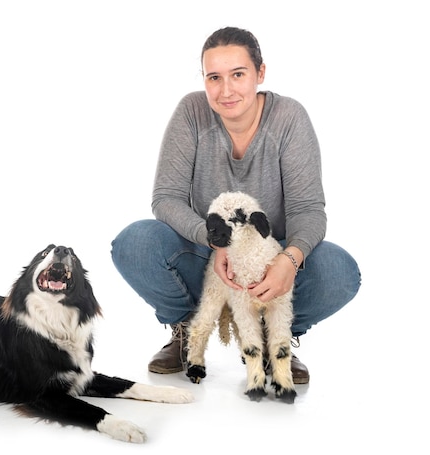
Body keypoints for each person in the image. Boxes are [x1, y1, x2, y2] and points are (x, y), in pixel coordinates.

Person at [111, 26, 361, 384]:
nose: (225, 90)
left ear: (260, 73)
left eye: (238, 75)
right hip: (209, 258)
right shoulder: (192, 112)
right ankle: (186, 329)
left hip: (268, 261)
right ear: (204, 79)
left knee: (339, 270)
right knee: (135, 242)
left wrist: (288, 261)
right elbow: (166, 198)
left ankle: (275, 338)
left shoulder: (289, 119)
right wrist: (214, 241)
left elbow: (308, 210)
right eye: (214, 77)